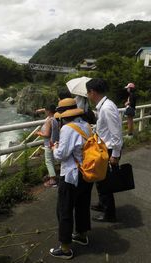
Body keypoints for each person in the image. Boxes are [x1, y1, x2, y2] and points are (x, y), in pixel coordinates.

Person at [49, 98, 94, 260]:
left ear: (62, 115)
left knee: (64, 209)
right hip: (87, 173)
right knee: (82, 205)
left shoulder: (68, 128)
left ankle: (65, 247)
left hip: (71, 175)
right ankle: (81, 235)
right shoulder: (86, 125)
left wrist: (54, 147)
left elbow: (61, 155)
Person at [86, 78, 123, 223]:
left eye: (88, 93)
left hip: (108, 149)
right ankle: (103, 205)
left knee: (105, 181)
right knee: (100, 180)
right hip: (104, 148)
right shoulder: (104, 106)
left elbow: (116, 133)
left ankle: (109, 214)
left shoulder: (107, 108)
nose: (88, 96)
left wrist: (115, 154)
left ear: (93, 92)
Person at [36, 104, 59, 187]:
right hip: (54, 143)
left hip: (49, 144)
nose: (44, 111)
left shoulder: (49, 120)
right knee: (52, 161)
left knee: (48, 161)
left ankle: (53, 180)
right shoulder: (55, 119)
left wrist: (38, 133)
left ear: (48, 111)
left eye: (45, 110)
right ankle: (52, 176)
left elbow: (46, 134)